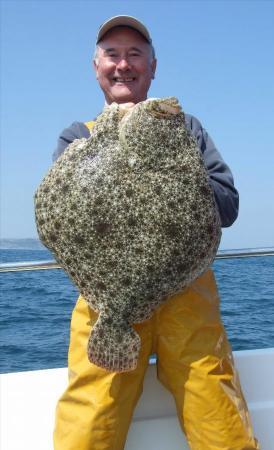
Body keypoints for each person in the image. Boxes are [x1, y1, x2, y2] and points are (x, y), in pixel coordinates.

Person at [53, 15, 259, 450]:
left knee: (215, 412)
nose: (123, 64)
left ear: (152, 66)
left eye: (135, 55)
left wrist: (180, 171)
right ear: (97, 67)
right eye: (112, 54)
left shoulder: (186, 130)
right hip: (106, 298)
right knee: (92, 419)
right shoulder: (76, 138)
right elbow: (62, 216)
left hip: (186, 293)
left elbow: (227, 207)